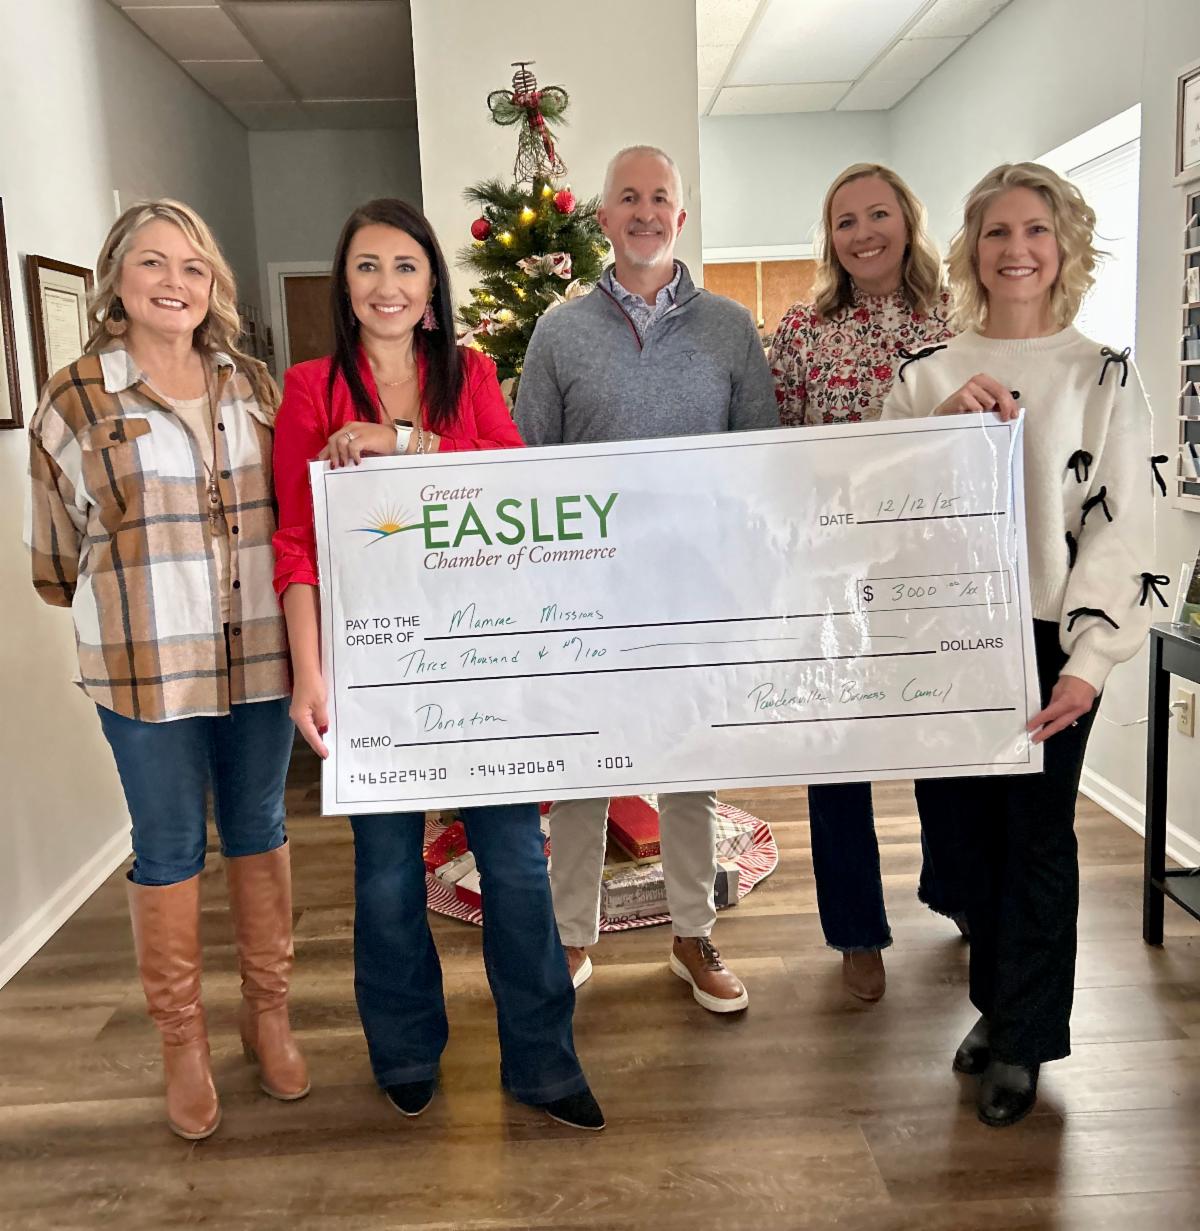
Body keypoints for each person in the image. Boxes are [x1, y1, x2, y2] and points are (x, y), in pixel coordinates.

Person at [272, 198, 603, 1131]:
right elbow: (295, 543)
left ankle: (543, 1060)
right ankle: (406, 1051)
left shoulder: (471, 374)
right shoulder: (308, 389)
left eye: (406, 266)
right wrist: (310, 674)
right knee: (385, 876)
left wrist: (402, 442)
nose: (387, 285)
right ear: (345, 283)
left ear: (431, 288)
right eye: (367, 265)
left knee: (518, 867)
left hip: (482, 662)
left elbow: (509, 485)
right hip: (371, 671)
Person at [27, 200, 307, 1140]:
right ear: (116, 278)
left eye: (192, 265)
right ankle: (182, 1041)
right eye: (152, 262)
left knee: (260, 827)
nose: (174, 282)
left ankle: (267, 1013)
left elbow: (291, 515)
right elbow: (53, 560)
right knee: (170, 845)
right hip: (144, 668)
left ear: (212, 284)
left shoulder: (253, 385)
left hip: (260, 654)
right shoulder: (75, 398)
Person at [881, 162, 1154, 1127]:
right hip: (946, 639)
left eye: (1036, 229)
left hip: (1048, 637)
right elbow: (874, 509)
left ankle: (1023, 1037)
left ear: (1064, 245)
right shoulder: (924, 375)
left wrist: (1090, 664)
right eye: (997, 231)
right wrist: (934, 435)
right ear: (972, 249)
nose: (1017, 249)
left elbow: (1126, 525)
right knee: (961, 841)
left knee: (1035, 840)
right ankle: (998, 1003)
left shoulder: (1103, 375)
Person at [516, 145, 778, 1012]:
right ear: (603, 218)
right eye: (627, 197)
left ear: (680, 216)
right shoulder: (559, 332)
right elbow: (526, 465)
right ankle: (571, 935)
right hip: (589, 599)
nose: (644, 211)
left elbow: (758, 460)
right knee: (583, 770)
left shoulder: (730, 328)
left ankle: (692, 933)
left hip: (696, 594)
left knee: (691, 769)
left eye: (659, 197)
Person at [768, 163, 968, 1002]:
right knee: (838, 753)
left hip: (934, 566)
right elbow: (777, 445)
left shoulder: (960, 319)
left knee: (942, 743)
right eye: (844, 221)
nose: (862, 234)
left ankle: (955, 889)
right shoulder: (803, 330)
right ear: (831, 238)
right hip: (836, 570)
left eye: (877, 214)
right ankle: (856, 930)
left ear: (908, 222)